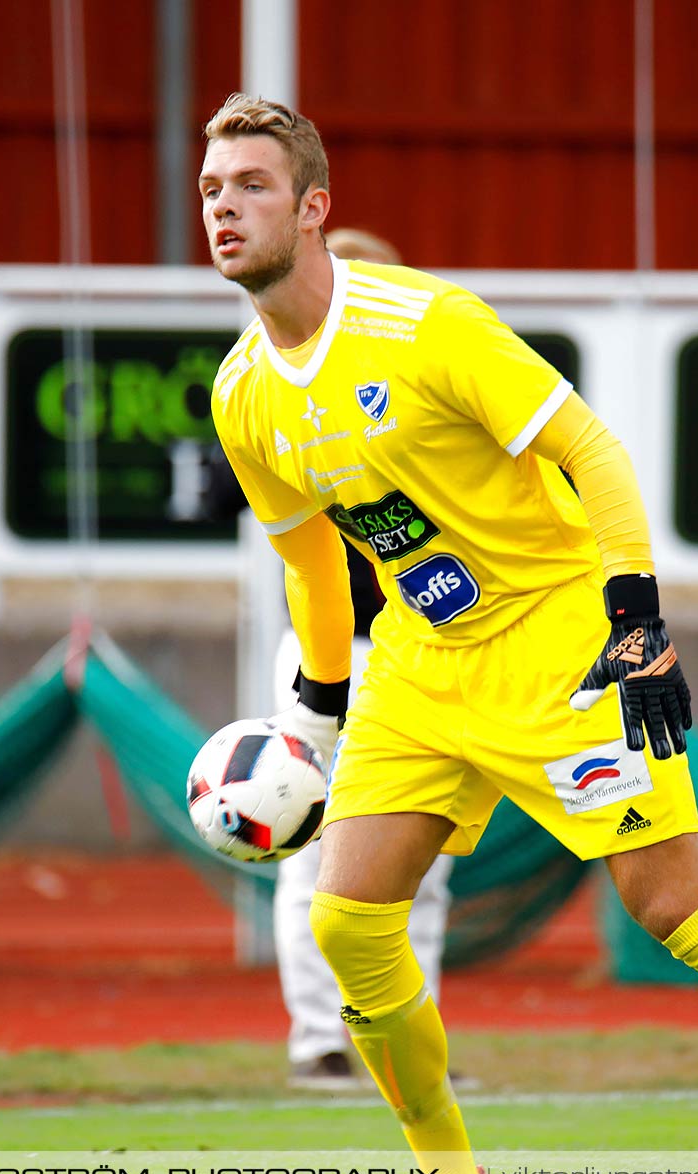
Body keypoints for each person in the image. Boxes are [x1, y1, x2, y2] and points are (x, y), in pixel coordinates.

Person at [199, 93, 698, 1174]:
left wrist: (637, 620)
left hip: (558, 640)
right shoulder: (241, 393)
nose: (226, 209)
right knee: (346, 922)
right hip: (418, 663)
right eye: (214, 191)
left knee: (679, 914)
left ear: (315, 208)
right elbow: (314, 565)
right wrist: (314, 717)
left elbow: (593, 452)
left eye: (253, 186)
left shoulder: (428, 325)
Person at [271, 227, 461, 1092]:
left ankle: (408, 1042)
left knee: (421, 861)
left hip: (432, 648)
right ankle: (320, 1039)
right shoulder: (283, 396)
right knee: (311, 849)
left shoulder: (433, 400)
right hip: (330, 659)